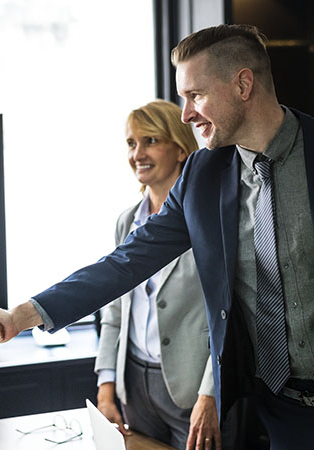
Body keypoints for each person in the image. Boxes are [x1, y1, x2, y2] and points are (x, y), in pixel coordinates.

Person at [0, 24, 314, 449]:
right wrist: (20, 317)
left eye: (195, 95)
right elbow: (125, 263)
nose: (186, 114)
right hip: (281, 417)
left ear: (243, 84)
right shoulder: (202, 176)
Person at [96, 100, 236, 449]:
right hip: (134, 387)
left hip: (192, 392)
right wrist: (106, 387)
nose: (138, 153)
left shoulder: (210, 219)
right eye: (131, 143)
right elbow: (114, 311)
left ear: (180, 149)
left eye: (151, 141)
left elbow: (229, 314)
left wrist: (211, 394)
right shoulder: (126, 222)